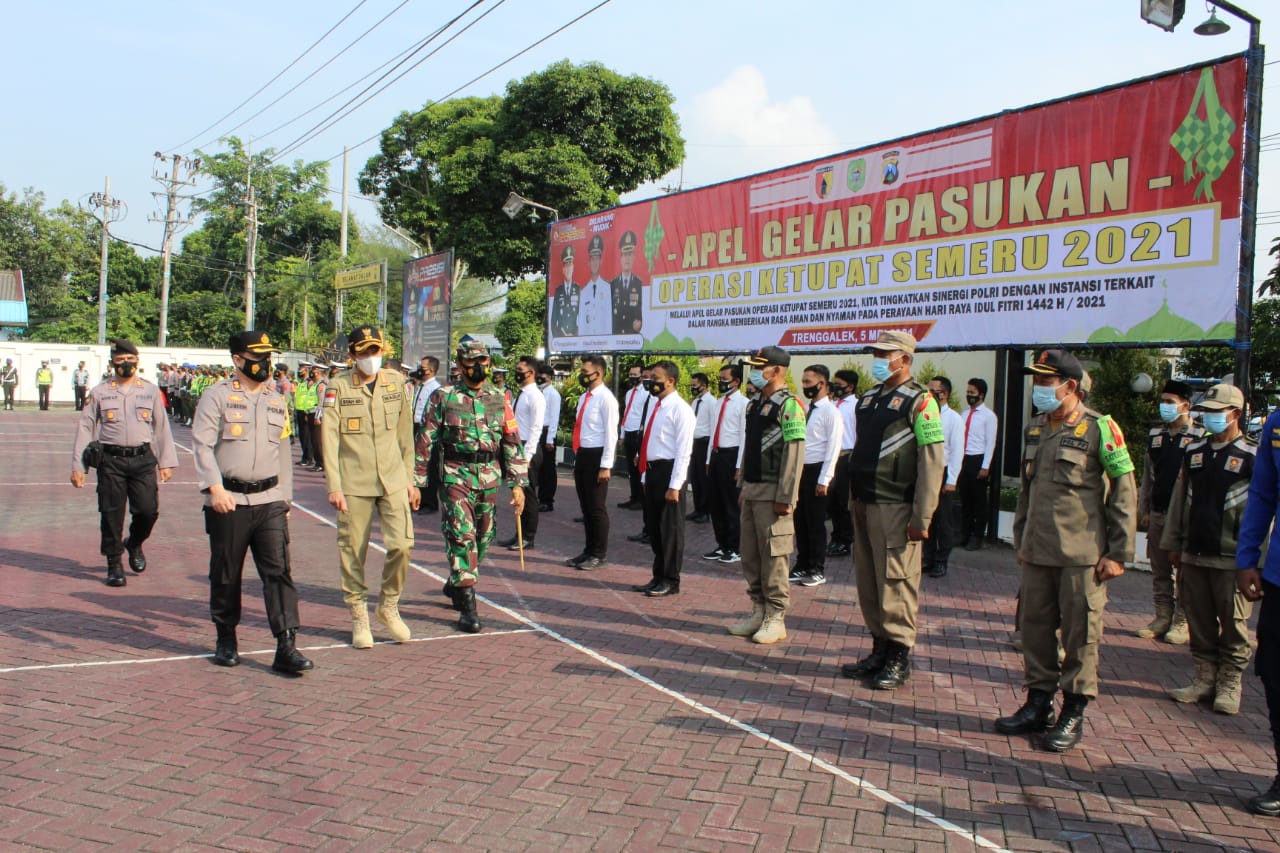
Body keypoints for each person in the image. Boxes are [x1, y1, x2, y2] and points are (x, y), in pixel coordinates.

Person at [994, 348, 1137, 752]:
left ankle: (1073, 711)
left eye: (1045, 381)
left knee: (1081, 636)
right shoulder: (1036, 428)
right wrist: (1020, 539)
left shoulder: (1100, 429)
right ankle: (1038, 703)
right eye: (1037, 380)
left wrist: (1119, 553)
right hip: (1038, 553)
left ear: (1069, 386)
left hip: (1082, 556)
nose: (1038, 388)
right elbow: (1028, 492)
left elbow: (1124, 492)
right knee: (1035, 633)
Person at [191, 331, 312, 675]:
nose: (265, 364)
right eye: (257, 357)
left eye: (268, 357)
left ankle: (286, 645)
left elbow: (285, 453)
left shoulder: (276, 400)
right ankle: (226, 637)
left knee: (279, 573)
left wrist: (285, 498)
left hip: (270, 500)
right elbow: (201, 446)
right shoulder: (217, 397)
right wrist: (214, 488)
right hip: (229, 500)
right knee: (227, 573)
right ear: (238, 360)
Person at [840, 331, 945, 690]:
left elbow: (932, 462)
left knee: (896, 582)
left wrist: (923, 516)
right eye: (876, 353)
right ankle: (879, 648)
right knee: (869, 580)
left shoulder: (921, 402)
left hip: (896, 505)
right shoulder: (867, 399)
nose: (878, 360)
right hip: (864, 501)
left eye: (885, 354)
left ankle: (899, 655)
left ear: (905, 359)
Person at [415, 340, 528, 632]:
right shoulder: (444, 396)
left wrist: (517, 484)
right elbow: (426, 439)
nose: (479, 368)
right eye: (472, 362)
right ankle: (468, 607)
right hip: (456, 474)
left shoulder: (498, 397)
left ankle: (456, 580)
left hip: (489, 475)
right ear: (460, 364)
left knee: (484, 536)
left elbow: (511, 440)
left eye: (483, 362)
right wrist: (416, 481)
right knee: (461, 535)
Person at [321, 326, 420, 649]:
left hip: (393, 478)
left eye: (375, 352)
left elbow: (406, 435)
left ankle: (388, 604)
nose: (371, 358)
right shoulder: (337, 387)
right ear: (352, 356)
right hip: (354, 481)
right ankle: (358, 614)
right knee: (353, 551)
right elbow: (330, 438)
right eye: (364, 353)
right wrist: (334, 485)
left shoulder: (396, 383)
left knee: (403, 545)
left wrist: (411, 479)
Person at [1162, 384, 1255, 714]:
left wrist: (1255, 558)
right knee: (1199, 621)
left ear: (1235, 414)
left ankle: (1230, 683)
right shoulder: (1194, 451)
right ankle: (1204, 678)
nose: (1210, 416)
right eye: (1208, 411)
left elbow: (1261, 512)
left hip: (1232, 557)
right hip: (1194, 552)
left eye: (1218, 411)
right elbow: (1179, 500)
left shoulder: (1251, 456)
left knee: (1234, 625)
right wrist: (1173, 543)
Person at [70, 339, 178, 587]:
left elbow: (161, 427)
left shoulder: (149, 391)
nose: (126, 365)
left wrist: (166, 462)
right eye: (121, 361)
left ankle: (134, 542)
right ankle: (114, 563)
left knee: (147, 511)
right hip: (111, 460)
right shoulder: (100, 392)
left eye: (131, 361)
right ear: (112, 364)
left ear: (138, 363)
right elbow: (86, 428)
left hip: (142, 459)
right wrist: (79, 466)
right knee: (111, 514)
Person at [728, 346, 805, 644]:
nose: (755, 374)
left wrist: (786, 496)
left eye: (760, 368)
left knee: (775, 555)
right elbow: (750, 447)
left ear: (776, 370)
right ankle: (758, 610)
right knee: (751, 554)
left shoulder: (791, 405)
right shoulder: (754, 405)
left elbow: (794, 453)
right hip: (753, 490)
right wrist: (743, 485)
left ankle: (776, 617)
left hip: (775, 493)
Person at [1237, 391, 1280, 816]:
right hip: (1278, 577)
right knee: (1273, 673)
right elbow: (1263, 495)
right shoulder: (1277, 425)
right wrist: (1248, 557)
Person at [1137, 379, 1202, 644]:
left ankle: (1181, 621)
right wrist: (1144, 509)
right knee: (1160, 570)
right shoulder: (1156, 436)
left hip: (1184, 519)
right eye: (1162, 401)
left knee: (1184, 572)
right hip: (1158, 513)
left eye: (1170, 402)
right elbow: (1147, 478)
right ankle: (1162, 616)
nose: (1164, 406)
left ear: (1185, 406)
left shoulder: (1199, 438)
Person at [630, 360, 695, 597]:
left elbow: (683, 451)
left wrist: (675, 485)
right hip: (653, 471)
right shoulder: (656, 406)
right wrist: (646, 474)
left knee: (670, 530)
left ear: (671, 381)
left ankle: (670, 580)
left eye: (656, 378)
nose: (651, 382)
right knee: (655, 529)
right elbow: (651, 441)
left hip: (670, 473)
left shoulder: (681, 409)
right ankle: (657, 576)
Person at [790, 365, 843, 588]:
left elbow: (834, 447)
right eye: (803, 382)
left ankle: (816, 568)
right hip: (801, 470)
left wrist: (825, 479)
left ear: (822, 384)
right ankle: (802, 563)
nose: (805, 387)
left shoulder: (831, 412)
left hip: (818, 471)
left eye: (808, 383)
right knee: (799, 520)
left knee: (815, 523)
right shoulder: (805, 409)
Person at [566, 355, 618, 571]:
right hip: (584, 454)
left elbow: (611, 434)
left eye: (586, 373)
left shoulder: (606, 399)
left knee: (596, 507)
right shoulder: (584, 397)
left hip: (598, 455)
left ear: (599, 373)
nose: (582, 376)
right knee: (586, 506)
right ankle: (588, 550)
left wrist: (606, 464)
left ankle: (599, 554)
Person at [499, 356, 544, 551]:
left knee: (529, 494)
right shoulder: (521, 394)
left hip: (528, 448)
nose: (517, 372)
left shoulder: (535, 396)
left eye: (520, 369)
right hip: (516, 445)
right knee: (518, 493)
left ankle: (528, 536)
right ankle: (518, 534)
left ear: (531, 372)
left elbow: (536, 428)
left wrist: (527, 456)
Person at [705, 363, 748, 564]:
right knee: (716, 503)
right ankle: (722, 545)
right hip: (716, 455)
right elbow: (713, 431)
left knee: (731, 504)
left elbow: (743, 437)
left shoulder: (743, 404)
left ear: (736, 381)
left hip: (731, 456)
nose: (721, 383)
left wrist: (739, 466)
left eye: (725, 379)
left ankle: (735, 547)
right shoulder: (717, 402)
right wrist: (707, 459)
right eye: (720, 379)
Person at [923, 376, 964, 579]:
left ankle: (941, 561)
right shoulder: (926, 413)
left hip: (944, 471)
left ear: (944, 394)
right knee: (927, 518)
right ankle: (928, 558)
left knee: (944, 521)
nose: (929, 394)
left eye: (933, 391)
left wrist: (952, 480)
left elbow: (957, 451)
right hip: (927, 472)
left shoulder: (954, 419)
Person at [959, 378, 999, 550]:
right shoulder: (964, 414)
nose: (969, 396)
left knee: (979, 502)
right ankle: (964, 534)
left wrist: (985, 466)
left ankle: (977, 536)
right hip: (964, 458)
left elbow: (991, 442)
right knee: (965, 499)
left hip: (978, 458)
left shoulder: (989, 416)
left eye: (972, 393)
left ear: (981, 395)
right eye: (968, 392)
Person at [827, 370, 859, 557]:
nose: (836, 387)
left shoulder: (856, 406)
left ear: (851, 386)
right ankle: (836, 537)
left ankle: (845, 540)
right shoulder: (832, 405)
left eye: (840, 384)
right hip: (829, 457)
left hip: (846, 457)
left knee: (842, 502)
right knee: (830, 502)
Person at [619, 363, 653, 513]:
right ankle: (634, 497)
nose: (632, 377)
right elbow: (626, 413)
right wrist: (622, 434)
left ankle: (641, 499)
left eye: (635, 375)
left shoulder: (646, 393)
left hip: (639, 434)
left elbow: (645, 416)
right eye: (630, 375)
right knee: (631, 469)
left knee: (639, 468)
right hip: (628, 432)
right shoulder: (628, 393)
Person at [413, 356, 443, 514]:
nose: (419, 368)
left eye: (422, 367)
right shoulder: (421, 386)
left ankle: (430, 503)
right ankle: (419, 499)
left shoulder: (435, 388)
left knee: (430, 466)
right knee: (418, 464)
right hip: (416, 425)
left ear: (431, 370)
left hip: (428, 429)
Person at [687, 373, 714, 524]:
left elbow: (712, 426)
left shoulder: (711, 402)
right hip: (694, 443)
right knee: (695, 478)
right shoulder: (695, 401)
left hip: (705, 443)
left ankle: (705, 511)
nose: (692, 388)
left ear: (703, 385)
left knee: (704, 479)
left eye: (694, 385)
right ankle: (697, 509)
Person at [577, 234, 613, 336]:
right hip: (588, 345)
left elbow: (609, 320)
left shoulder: (608, 288)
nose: (594, 262)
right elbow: (582, 323)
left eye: (597, 259)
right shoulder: (584, 292)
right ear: (588, 262)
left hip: (603, 345)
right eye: (592, 259)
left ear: (601, 261)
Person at [537, 364, 562, 512]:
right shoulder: (538, 392)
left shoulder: (553, 394)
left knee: (548, 468)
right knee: (539, 467)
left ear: (550, 378)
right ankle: (540, 497)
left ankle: (547, 500)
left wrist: (550, 439)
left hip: (547, 433)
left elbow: (554, 418)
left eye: (543, 376)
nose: (540, 378)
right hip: (538, 431)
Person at [612, 230, 644, 335]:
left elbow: (639, 311)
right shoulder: (613, 284)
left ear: (634, 257)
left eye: (630, 254)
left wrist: (639, 323)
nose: (627, 258)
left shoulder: (638, 284)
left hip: (632, 337)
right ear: (620, 258)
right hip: (616, 338)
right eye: (625, 254)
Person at [292, 365, 320, 468]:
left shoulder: (311, 383)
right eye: (299, 369)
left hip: (307, 412)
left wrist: (306, 412)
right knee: (302, 436)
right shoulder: (301, 382)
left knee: (307, 437)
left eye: (301, 369)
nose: (299, 371)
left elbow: (311, 399)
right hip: (299, 410)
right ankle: (305, 457)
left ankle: (308, 458)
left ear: (307, 370)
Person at [550, 245, 580, 338]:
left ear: (573, 267)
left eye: (570, 265)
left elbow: (582, 318)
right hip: (561, 337)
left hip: (575, 337)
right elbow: (553, 320)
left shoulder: (578, 289)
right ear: (563, 269)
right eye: (566, 265)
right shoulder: (558, 291)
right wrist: (558, 338)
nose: (568, 269)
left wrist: (576, 335)